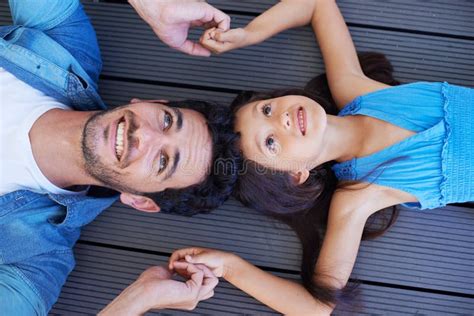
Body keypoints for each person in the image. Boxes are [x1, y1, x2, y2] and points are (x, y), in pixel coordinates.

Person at [170, 0, 474, 314]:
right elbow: (316, 309)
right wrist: (231, 266)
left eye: (267, 110)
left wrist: (249, 34)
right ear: (295, 175)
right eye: (271, 143)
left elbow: (316, 4)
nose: (281, 120)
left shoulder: (357, 92)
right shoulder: (357, 197)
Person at [0, 0, 238, 314]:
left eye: (163, 162)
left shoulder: (35, 258)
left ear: (140, 200)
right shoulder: (66, 48)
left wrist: (139, 299)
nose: (145, 135)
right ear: (152, 101)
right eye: (166, 120)